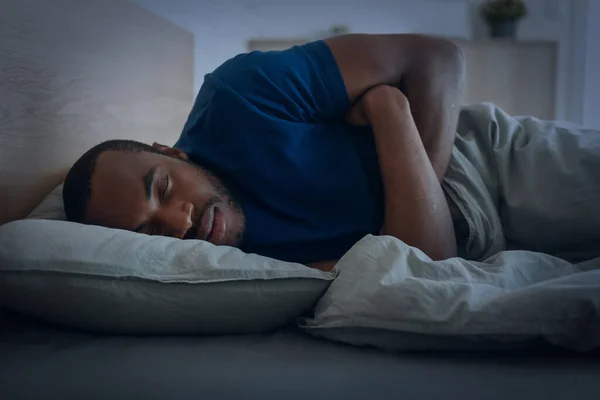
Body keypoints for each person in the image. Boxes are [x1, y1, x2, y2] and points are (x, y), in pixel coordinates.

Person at [62, 34, 600, 271]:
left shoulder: (238, 97)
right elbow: (428, 261)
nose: (178, 223)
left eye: (162, 187)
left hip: (487, 163)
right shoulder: (225, 267)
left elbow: (436, 57)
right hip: (486, 253)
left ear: (172, 152)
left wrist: (422, 195)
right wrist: (384, 111)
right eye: (149, 233)